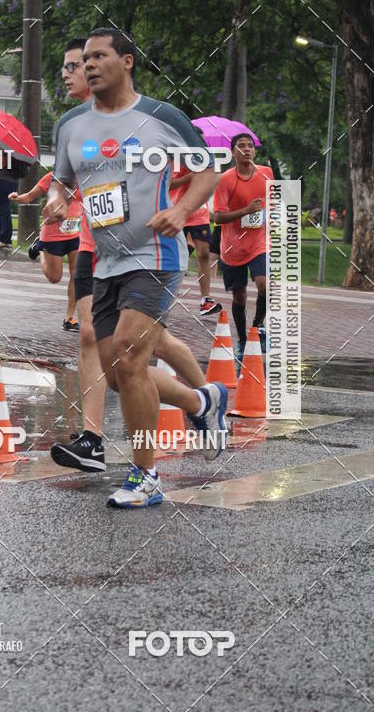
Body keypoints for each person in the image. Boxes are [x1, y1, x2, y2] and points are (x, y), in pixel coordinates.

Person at [45, 27, 228, 509]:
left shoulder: (161, 117)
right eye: (84, 59)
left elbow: (208, 169)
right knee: (123, 369)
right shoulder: (70, 125)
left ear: (126, 61)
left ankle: (145, 477)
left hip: (156, 255)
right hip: (104, 261)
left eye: (99, 56)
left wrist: (184, 210)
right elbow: (61, 182)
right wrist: (56, 202)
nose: (88, 65)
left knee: (128, 350)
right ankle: (202, 402)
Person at [213, 133, 273, 366]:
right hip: (232, 246)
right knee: (239, 296)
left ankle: (257, 327)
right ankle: (242, 340)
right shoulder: (225, 179)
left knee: (265, 286)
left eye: (250, 146)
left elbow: (274, 201)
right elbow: (217, 217)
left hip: (259, 241)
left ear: (255, 152)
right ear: (233, 153)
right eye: (241, 146)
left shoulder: (266, 173)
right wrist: (246, 211)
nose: (247, 149)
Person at [9, 170, 82, 330]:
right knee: (54, 278)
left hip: (75, 233)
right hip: (52, 234)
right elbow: (29, 196)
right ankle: (39, 248)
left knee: (76, 274)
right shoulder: (52, 177)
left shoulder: (85, 176)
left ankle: (69, 317)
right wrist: (16, 197)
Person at [170, 163, 221, 316]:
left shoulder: (203, 157)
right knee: (172, 255)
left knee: (204, 253)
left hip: (199, 211)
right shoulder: (174, 155)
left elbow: (212, 179)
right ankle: (164, 296)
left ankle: (205, 300)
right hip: (176, 210)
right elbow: (168, 184)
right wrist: (189, 177)